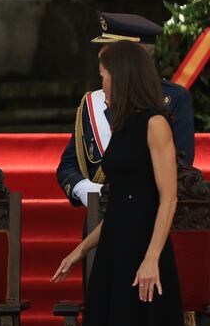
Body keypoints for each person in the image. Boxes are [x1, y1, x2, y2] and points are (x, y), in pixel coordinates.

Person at [52, 40, 191, 326]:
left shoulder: (155, 124)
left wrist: (152, 258)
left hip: (145, 252)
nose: (101, 82)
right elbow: (122, 207)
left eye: (104, 74)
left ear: (122, 75)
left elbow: (168, 198)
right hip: (115, 252)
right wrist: (80, 250)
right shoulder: (123, 125)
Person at [57, 12, 194, 208]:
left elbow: (181, 168)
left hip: (149, 212)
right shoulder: (92, 102)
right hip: (99, 214)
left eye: (112, 51)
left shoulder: (174, 99)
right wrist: (84, 189)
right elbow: (68, 165)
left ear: (136, 57)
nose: (102, 55)